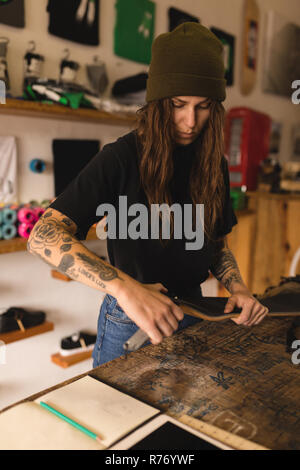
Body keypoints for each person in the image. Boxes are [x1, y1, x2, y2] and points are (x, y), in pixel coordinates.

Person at [27, 23, 268, 367]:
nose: (189, 120)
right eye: (178, 104)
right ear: (157, 102)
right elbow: (42, 237)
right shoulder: (122, 157)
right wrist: (126, 289)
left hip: (196, 312)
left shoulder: (214, 164)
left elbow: (215, 242)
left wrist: (239, 289)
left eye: (203, 107)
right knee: (116, 417)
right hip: (130, 320)